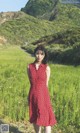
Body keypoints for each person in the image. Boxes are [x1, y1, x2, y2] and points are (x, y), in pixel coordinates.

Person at [27, 45, 57, 133]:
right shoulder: (29, 67)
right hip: (33, 94)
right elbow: (31, 82)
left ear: (44, 55)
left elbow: (46, 84)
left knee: (46, 117)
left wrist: (45, 96)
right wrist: (30, 95)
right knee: (35, 115)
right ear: (34, 54)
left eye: (41, 54)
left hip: (43, 95)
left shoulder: (47, 68)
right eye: (37, 53)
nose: (39, 56)